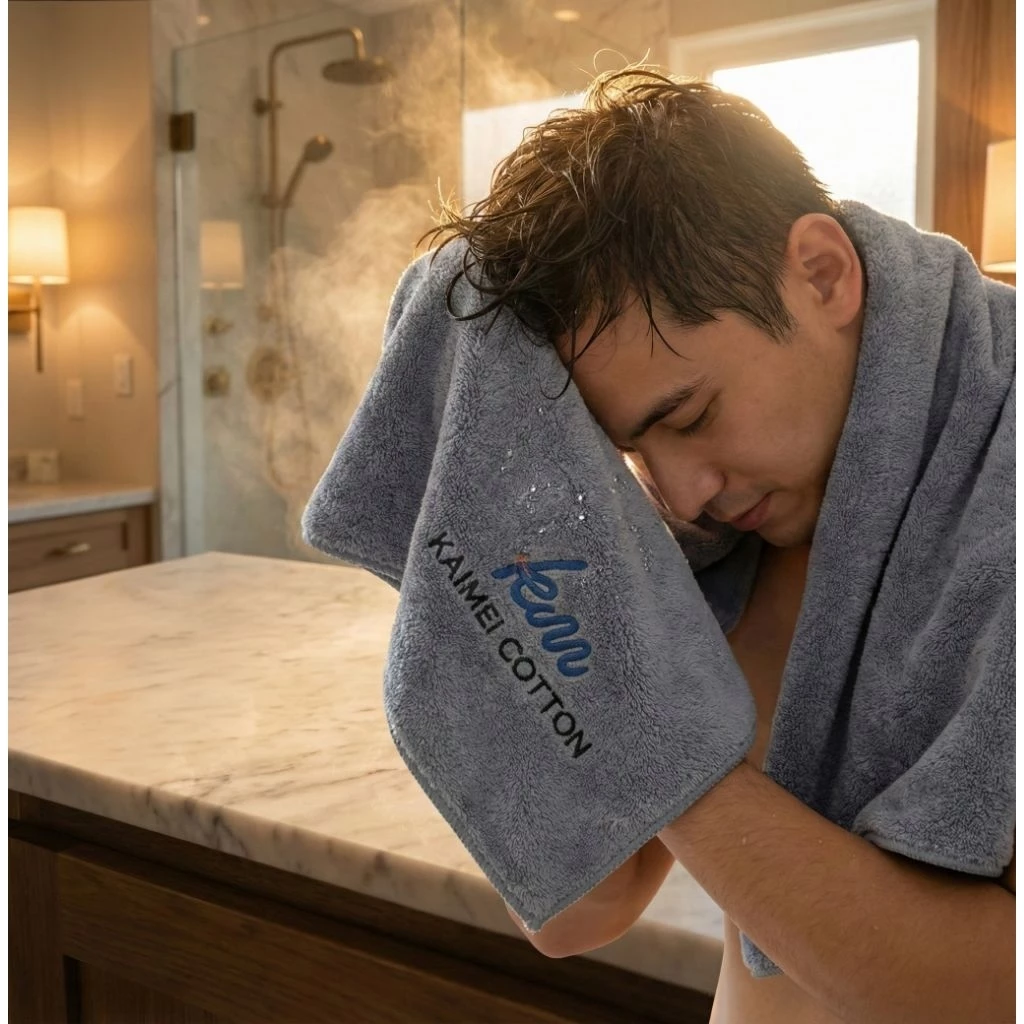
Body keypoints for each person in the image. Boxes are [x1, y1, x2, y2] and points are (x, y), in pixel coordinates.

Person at [419, 65, 1016, 1022]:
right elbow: (578, 913)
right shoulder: (735, 536)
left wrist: (653, 738)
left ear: (822, 273)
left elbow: (987, 985)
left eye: (692, 415)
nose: (680, 490)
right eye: (630, 450)